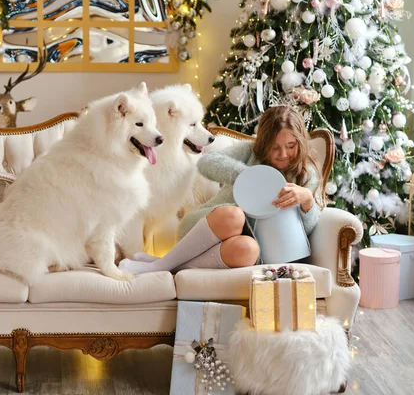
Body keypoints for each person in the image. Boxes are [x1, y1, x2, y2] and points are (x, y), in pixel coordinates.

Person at [118, 106, 325, 275]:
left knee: (250, 250)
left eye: (290, 146)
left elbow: (304, 232)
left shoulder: (305, 174)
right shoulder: (249, 152)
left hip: (247, 250)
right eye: (275, 147)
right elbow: (207, 162)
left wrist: (307, 201)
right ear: (264, 144)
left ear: (300, 142)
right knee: (235, 214)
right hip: (209, 229)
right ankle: (159, 267)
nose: (283, 154)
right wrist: (249, 177)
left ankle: (164, 264)